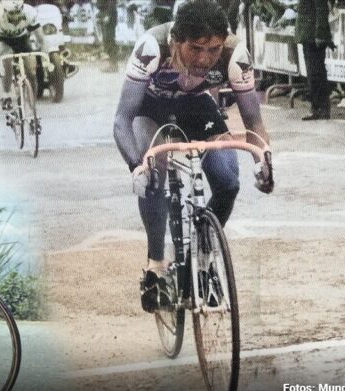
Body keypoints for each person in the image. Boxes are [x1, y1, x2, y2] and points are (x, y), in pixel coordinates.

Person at [113, 0, 272, 313]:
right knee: (153, 172)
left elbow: (254, 123)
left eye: (213, 50)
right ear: (176, 41)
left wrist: (263, 160)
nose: (205, 59)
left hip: (196, 107)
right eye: (196, 48)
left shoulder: (234, 53)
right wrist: (136, 165)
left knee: (227, 181)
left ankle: (203, 257)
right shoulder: (151, 46)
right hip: (151, 109)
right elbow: (122, 119)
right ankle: (156, 267)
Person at [0, 0, 46, 93]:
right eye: (11, 13)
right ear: (5, 10)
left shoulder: (29, 12)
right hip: (4, 41)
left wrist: (45, 57)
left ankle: (32, 104)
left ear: (22, 8)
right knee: (7, 61)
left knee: (31, 71)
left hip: (22, 39)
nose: (15, 17)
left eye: (18, 12)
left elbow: (41, 39)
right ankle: (6, 95)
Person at [295, 0, 333, 120]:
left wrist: (320, 34)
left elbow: (321, 9)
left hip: (312, 35)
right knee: (313, 74)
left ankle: (321, 108)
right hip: (308, 34)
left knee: (316, 73)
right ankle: (317, 107)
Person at [97, 0, 119, 72]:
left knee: (109, 40)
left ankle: (113, 65)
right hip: (103, 14)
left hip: (109, 15)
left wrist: (108, 15)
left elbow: (112, 3)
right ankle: (110, 65)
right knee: (106, 41)